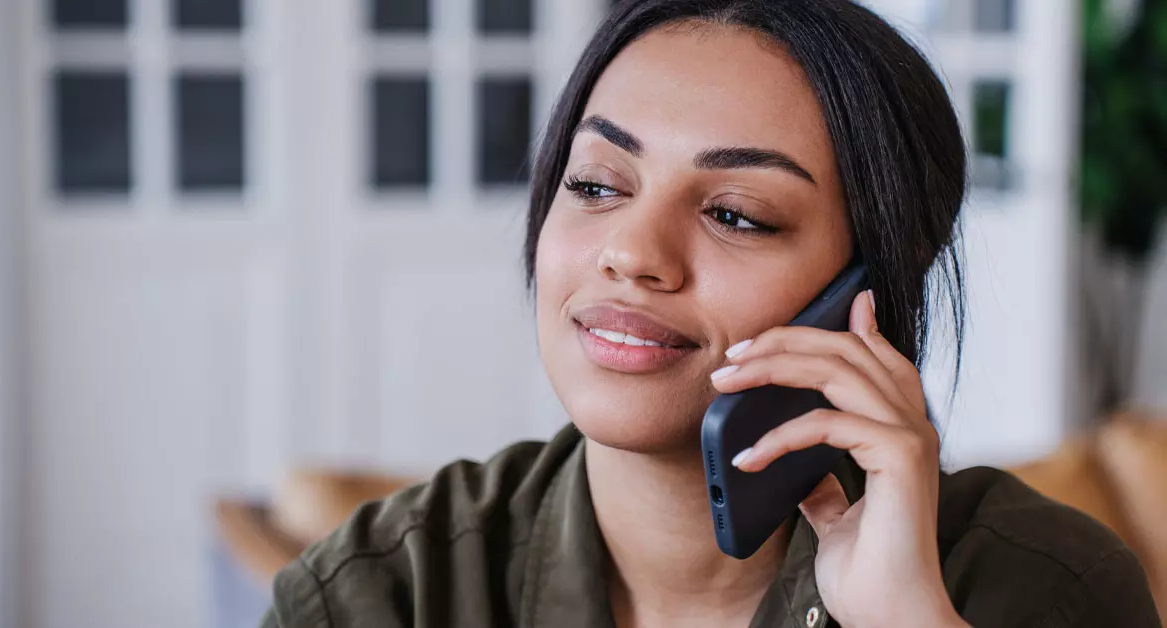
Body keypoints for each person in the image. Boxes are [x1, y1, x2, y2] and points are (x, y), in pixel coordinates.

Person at [261, 1, 1161, 626]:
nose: (632, 252)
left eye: (736, 215)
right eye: (596, 184)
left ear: (868, 287)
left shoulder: (1049, 590)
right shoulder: (377, 594)